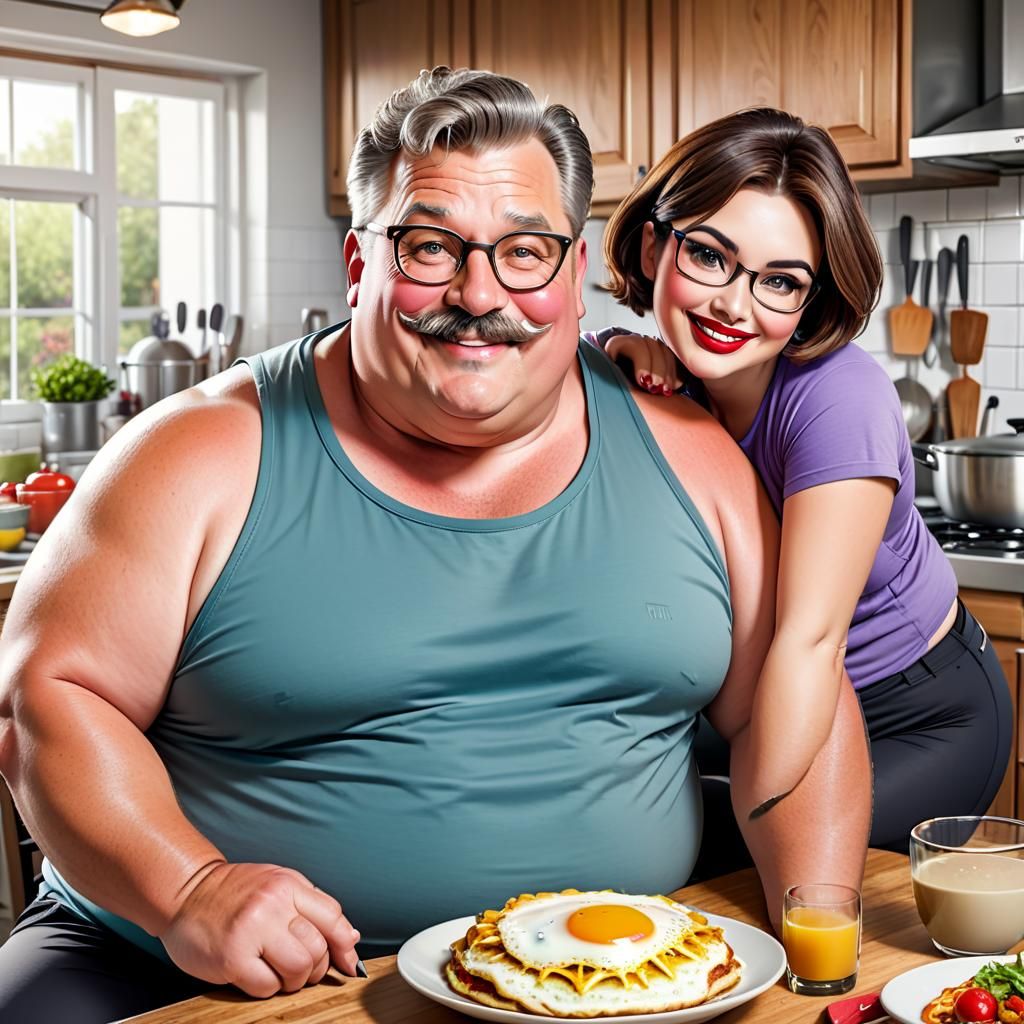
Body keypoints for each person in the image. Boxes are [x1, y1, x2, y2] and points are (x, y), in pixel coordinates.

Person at [0, 72, 871, 1023]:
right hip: (185, 974)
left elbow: (798, 715)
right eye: (429, 246)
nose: (478, 292)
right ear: (358, 261)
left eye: (526, 251)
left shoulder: (695, 460)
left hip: (617, 982)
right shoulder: (193, 454)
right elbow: (45, 701)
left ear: (573, 274)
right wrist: (187, 890)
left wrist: (813, 948)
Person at [597, 106, 1012, 850]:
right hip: (750, 704)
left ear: (811, 300)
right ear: (656, 245)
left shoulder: (836, 402)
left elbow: (808, 645)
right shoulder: (654, 377)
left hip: (912, 713)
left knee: (741, 885)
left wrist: (768, 838)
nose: (733, 305)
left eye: (779, 282)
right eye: (710, 257)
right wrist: (614, 344)